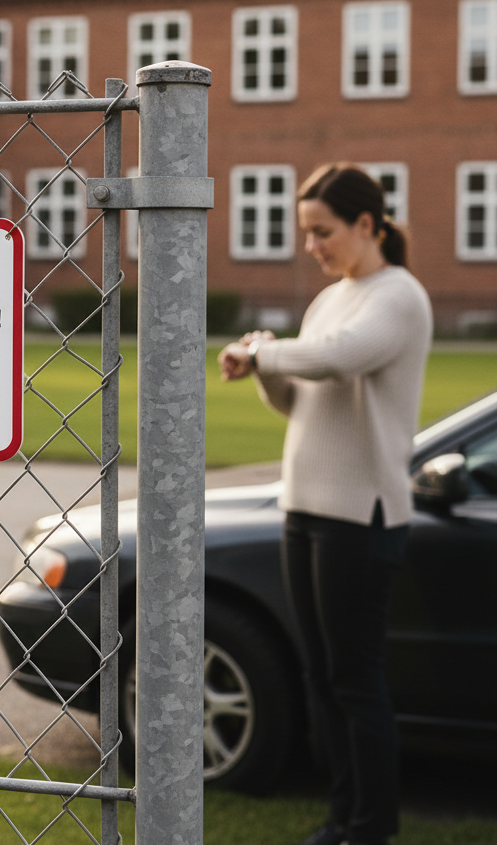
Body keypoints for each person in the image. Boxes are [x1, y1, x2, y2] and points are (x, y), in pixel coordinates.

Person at [218, 164, 432, 845]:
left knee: (354, 679)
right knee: (318, 675)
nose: (312, 244)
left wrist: (269, 351)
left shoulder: (397, 295)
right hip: (305, 507)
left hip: (361, 517)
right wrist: (263, 369)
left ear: (367, 225)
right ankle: (341, 819)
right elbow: (300, 400)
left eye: (323, 231)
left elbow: (343, 360)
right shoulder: (326, 300)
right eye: (305, 231)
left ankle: (372, 826)